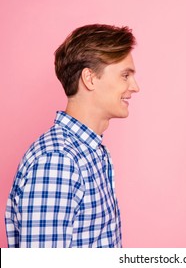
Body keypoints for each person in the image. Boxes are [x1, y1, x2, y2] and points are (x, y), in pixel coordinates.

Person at [5, 24, 139, 247]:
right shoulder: (58, 160)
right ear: (90, 78)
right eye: (125, 75)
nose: (135, 87)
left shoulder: (92, 153)